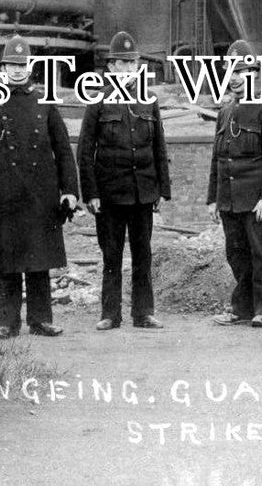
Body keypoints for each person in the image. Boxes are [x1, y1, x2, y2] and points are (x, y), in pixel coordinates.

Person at [0, 35, 79, 339]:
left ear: (30, 68)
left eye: (22, 65)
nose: (17, 70)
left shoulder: (45, 102)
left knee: (39, 259)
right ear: (2, 68)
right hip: (3, 194)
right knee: (8, 260)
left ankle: (41, 320)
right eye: (11, 65)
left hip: (41, 193)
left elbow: (64, 150)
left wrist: (70, 190)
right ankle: (7, 321)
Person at [77, 31, 171, 331]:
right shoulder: (98, 102)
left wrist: (161, 189)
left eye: (133, 64)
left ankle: (143, 313)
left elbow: (159, 147)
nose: (129, 69)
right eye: (123, 63)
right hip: (109, 195)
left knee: (143, 255)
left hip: (143, 191)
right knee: (111, 256)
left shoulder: (149, 100)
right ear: (112, 67)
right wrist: (90, 193)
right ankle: (110, 314)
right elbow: (84, 151)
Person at [208, 40, 262, 328]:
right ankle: (242, 308)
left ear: (255, 74)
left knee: (260, 254)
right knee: (235, 254)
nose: (236, 77)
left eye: (242, 71)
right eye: (231, 71)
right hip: (229, 199)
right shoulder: (224, 112)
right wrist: (213, 198)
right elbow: (217, 159)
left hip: (255, 200)